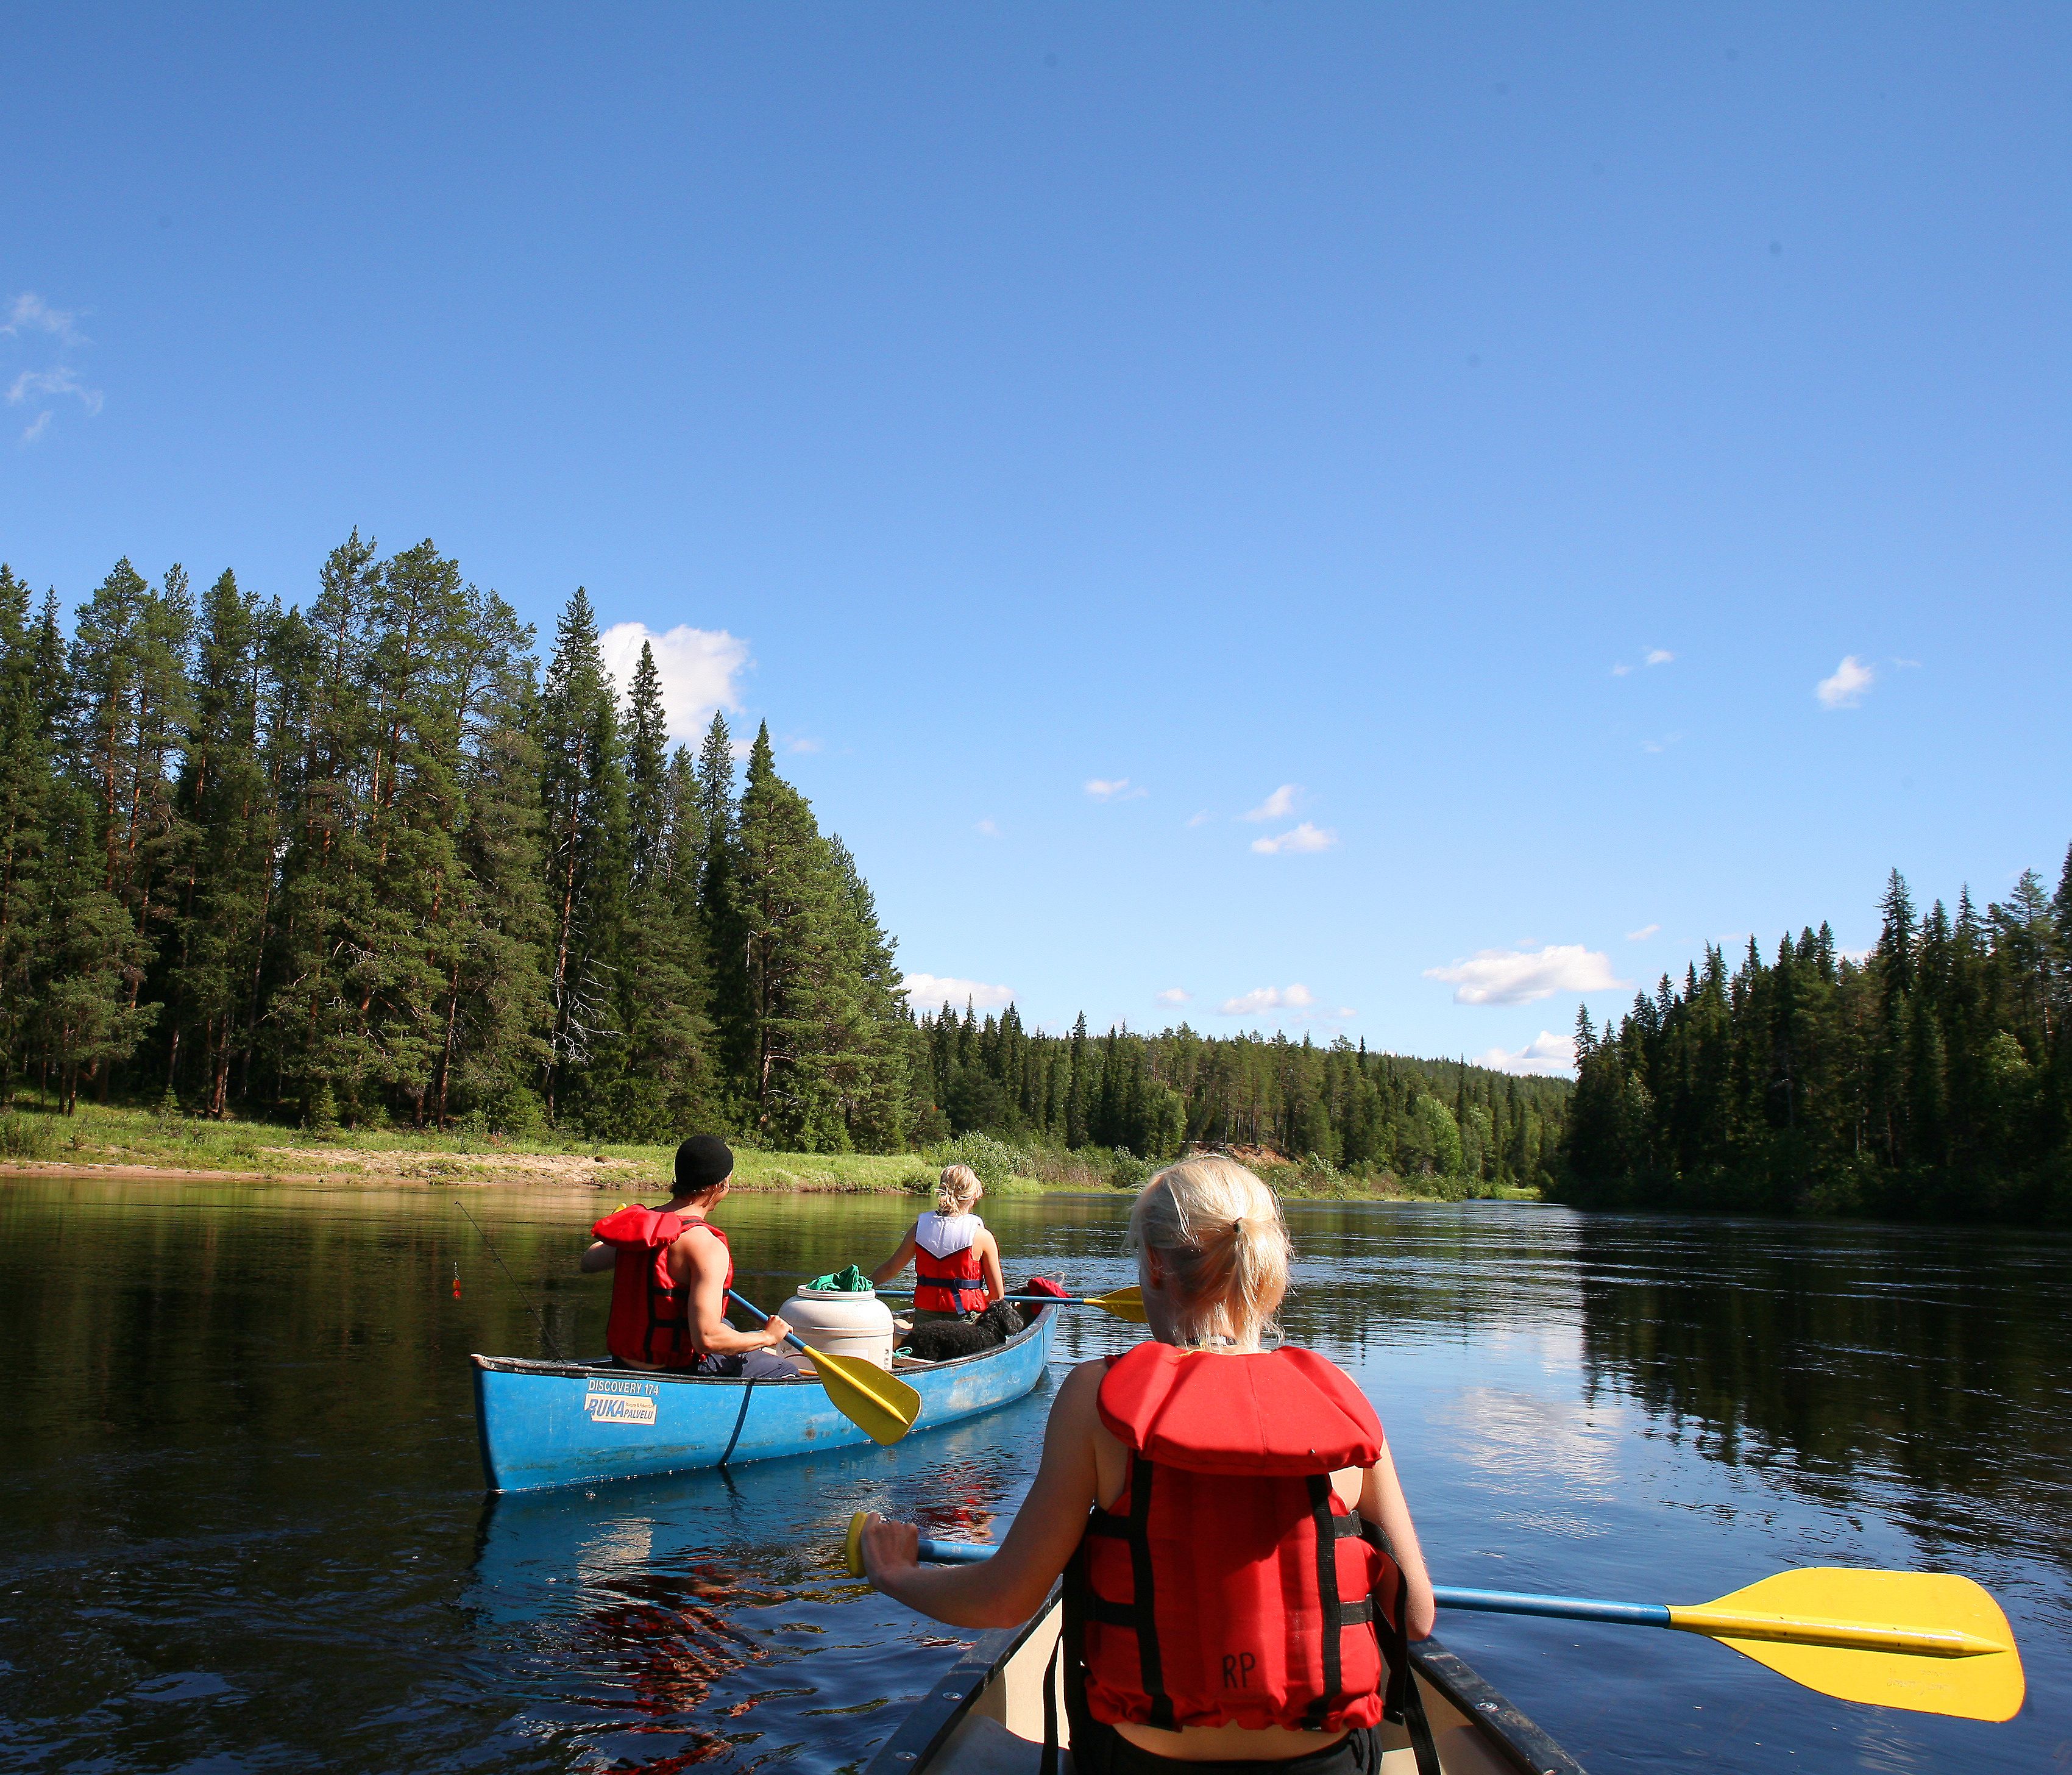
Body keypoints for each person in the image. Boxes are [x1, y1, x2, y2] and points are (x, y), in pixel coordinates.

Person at [857, 1157, 1438, 1774]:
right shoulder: (1341, 1397)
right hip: (1329, 1760)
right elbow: (1415, 1614)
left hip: (1142, 1758)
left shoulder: (1096, 1398)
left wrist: (895, 1572)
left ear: (1156, 1266)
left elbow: (1005, 1599)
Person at [580, 1134, 804, 1378]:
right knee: (785, 1369)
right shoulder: (706, 1246)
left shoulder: (644, 1229)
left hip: (625, 1362)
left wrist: (625, 1231)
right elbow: (706, 1339)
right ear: (721, 1185)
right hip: (677, 1368)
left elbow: (589, 1262)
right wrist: (767, 1337)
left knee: (727, 1326)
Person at [870, 1163, 1006, 1324]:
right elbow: (997, 1296)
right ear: (973, 1197)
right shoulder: (983, 1237)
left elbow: (890, 1269)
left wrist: (864, 1285)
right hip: (965, 1321)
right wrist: (981, 1295)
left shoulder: (919, 1229)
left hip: (925, 1317)